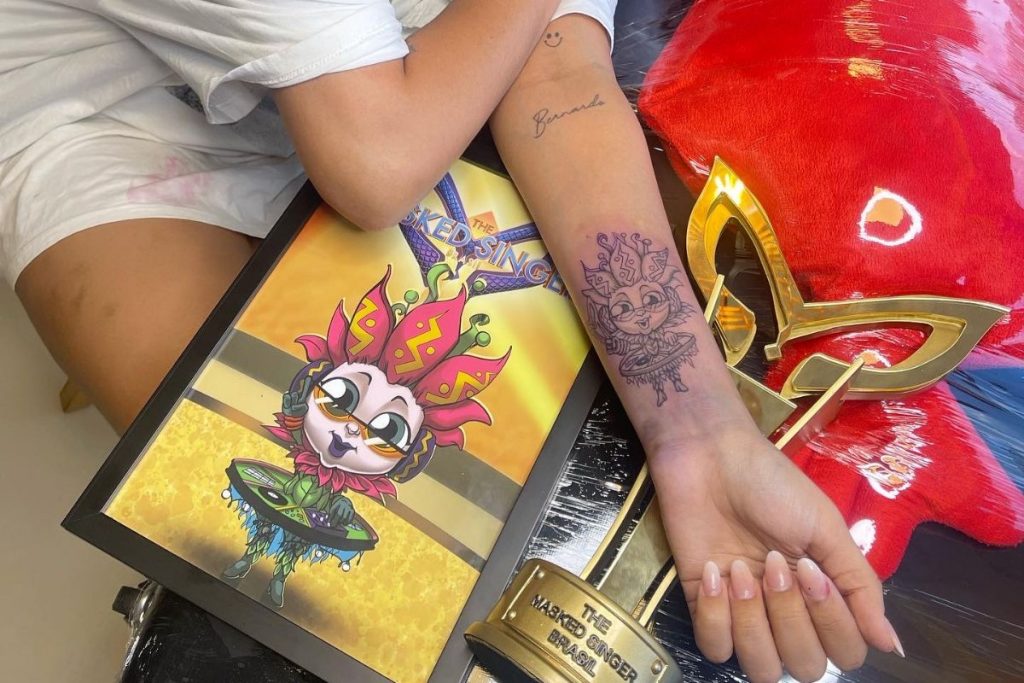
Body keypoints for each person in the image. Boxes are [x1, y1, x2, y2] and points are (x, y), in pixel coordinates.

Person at [0, 1, 902, 680]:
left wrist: (700, 430)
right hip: (116, 122)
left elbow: (556, 79)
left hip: (399, 83)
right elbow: (377, 161)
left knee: (444, 557)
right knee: (290, 582)